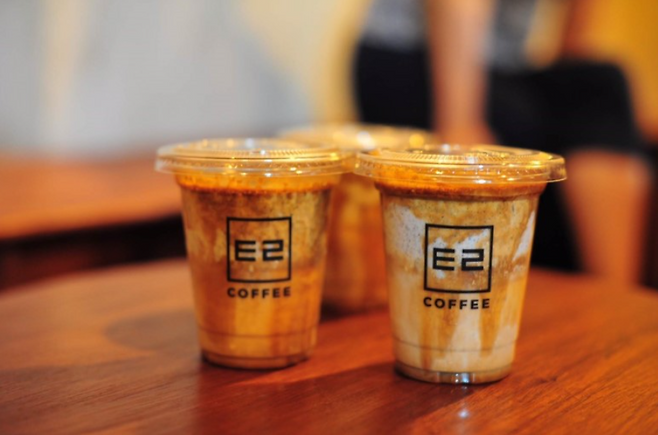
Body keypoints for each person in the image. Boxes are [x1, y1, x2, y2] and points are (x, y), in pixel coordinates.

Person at [354, 0, 652, 283]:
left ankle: (612, 295)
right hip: (418, 56)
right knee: (518, 132)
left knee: (602, 84)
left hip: (503, 69)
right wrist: (461, 126)